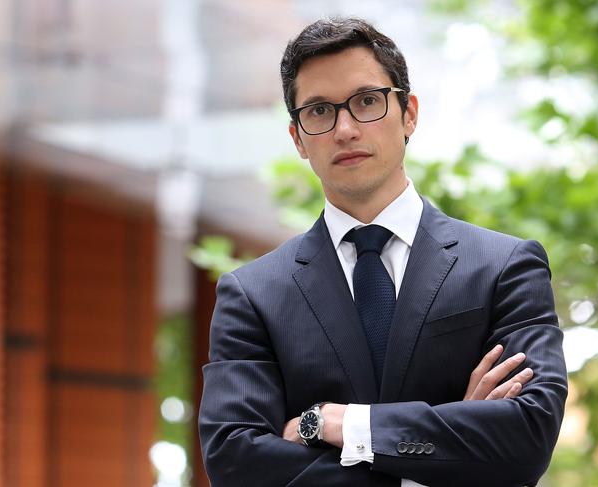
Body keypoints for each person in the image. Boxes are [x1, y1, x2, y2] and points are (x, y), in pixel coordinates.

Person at [199, 17, 567, 487]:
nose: (345, 129)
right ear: (298, 139)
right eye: (318, 112)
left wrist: (334, 425)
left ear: (408, 113)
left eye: (367, 101)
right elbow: (236, 463)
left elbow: (528, 434)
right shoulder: (252, 294)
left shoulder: (504, 267)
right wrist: (449, 451)